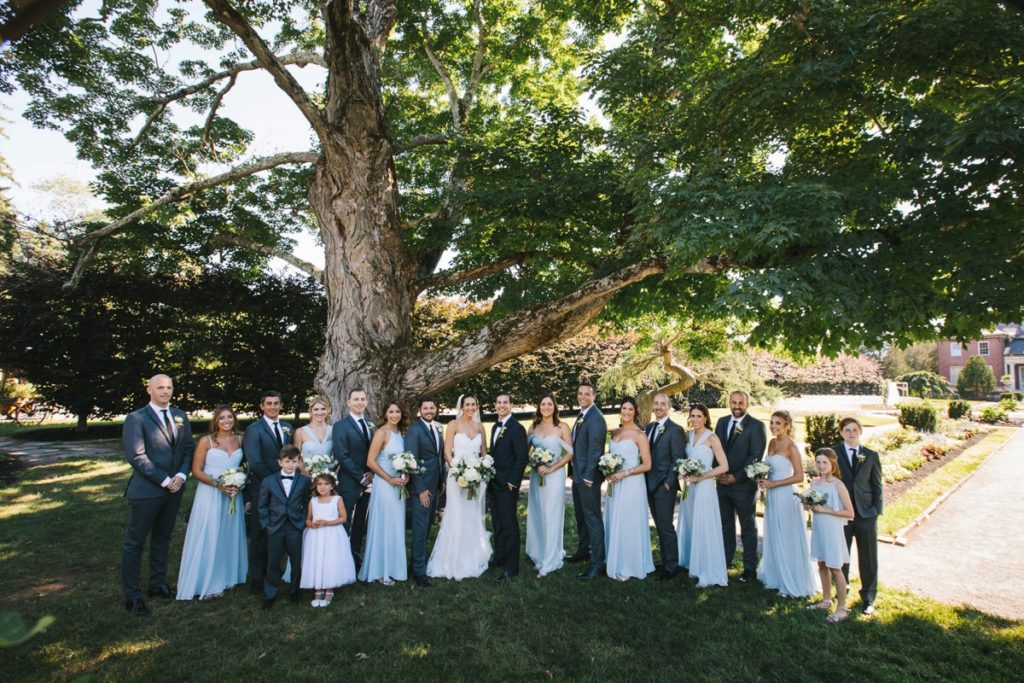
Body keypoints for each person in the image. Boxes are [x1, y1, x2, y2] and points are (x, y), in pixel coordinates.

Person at [120, 374, 196, 616]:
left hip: (174, 488)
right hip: (147, 491)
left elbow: (187, 448)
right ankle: (132, 596)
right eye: (160, 387)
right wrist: (164, 480)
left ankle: (157, 584)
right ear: (149, 390)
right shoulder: (137, 418)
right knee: (135, 543)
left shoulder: (180, 416)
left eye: (169, 387)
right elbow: (137, 456)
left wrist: (182, 476)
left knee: (162, 539)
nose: (166, 392)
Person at [176, 404, 247, 601]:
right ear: (215, 421)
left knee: (228, 533)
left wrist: (238, 482)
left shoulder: (240, 439)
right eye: (222, 418)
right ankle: (207, 581)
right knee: (210, 533)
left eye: (229, 417)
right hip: (211, 493)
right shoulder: (206, 442)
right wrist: (218, 485)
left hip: (233, 493)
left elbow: (244, 466)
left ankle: (229, 575)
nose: (226, 421)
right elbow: (196, 471)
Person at [427, 394, 492, 580]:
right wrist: (458, 470)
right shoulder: (453, 425)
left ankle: (473, 555)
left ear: (477, 407)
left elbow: (483, 453)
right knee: (456, 513)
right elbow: (447, 451)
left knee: (472, 514)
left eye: (474, 404)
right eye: (467, 404)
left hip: (476, 477)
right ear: (461, 406)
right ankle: (452, 559)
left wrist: (481, 469)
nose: (471, 407)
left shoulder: (480, 427)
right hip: (457, 476)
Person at [756, 410, 817, 598]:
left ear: (787, 426)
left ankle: (790, 580)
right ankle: (776, 576)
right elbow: (768, 467)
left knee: (786, 536)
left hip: (785, 495)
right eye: (772, 423)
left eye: (778, 423)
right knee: (774, 533)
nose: (773, 426)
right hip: (772, 496)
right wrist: (762, 478)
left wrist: (774, 483)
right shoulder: (772, 442)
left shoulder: (791, 447)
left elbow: (799, 476)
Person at [713, 390, 767, 582]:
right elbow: (715, 449)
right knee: (726, 525)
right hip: (722, 484)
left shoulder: (757, 426)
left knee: (747, 528)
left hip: (743, 486)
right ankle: (725, 561)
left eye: (740, 403)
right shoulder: (721, 422)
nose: (736, 406)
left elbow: (755, 456)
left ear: (747, 404)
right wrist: (718, 472)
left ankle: (749, 568)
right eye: (733, 402)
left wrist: (736, 477)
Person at [243, 391, 293, 593]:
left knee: (280, 531)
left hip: (285, 489)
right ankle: (257, 577)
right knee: (260, 533)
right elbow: (255, 461)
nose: (273, 407)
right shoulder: (254, 429)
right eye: (269, 404)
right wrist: (277, 481)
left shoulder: (287, 427)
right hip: (262, 488)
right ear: (262, 406)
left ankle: (274, 569)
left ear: (281, 406)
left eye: (276, 403)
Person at [833, 416, 883, 615]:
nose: (851, 433)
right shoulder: (833, 453)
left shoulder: (871, 455)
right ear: (841, 432)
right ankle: (841, 590)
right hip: (842, 513)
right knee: (841, 555)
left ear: (860, 432)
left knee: (869, 557)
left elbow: (877, 486)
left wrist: (876, 511)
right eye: (847, 430)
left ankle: (868, 597)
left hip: (865, 514)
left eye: (854, 430)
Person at [603, 397, 655, 581]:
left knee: (628, 522)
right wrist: (608, 471)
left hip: (632, 483)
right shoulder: (615, 433)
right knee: (614, 519)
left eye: (630, 409)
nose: (626, 412)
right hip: (615, 484)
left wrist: (624, 474)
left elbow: (647, 465)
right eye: (624, 408)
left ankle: (629, 564)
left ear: (635, 412)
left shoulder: (640, 435)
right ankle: (614, 558)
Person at [678, 403, 730, 587]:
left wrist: (703, 476)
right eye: (692, 416)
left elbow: (724, 466)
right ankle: (693, 564)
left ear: (706, 418)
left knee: (704, 525)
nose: (694, 419)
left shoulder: (712, 438)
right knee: (692, 523)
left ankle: (708, 570)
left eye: (699, 416)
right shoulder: (688, 435)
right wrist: (684, 473)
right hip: (690, 486)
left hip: (705, 486)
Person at [359, 402, 409, 585]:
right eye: (391, 412)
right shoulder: (382, 432)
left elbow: (405, 461)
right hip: (385, 484)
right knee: (384, 525)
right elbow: (371, 462)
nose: (395, 414)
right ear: (385, 414)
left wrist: (406, 475)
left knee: (396, 525)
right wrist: (389, 479)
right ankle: (380, 570)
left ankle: (395, 568)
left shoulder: (401, 434)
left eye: (397, 411)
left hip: (398, 485)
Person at [525, 394, 574, 577]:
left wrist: (551, 467)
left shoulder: (562, 427)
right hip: (538, 476)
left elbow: (570, 454)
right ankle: (539, 552)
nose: (546, 407)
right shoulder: (533, 427)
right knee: (538, 512)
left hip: (554, 476)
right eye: (543, 404)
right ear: (539, 407)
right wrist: (536, 463)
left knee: (552, 514)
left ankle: (550, 559)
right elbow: (525, 451)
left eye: (549, 404)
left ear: (555, 407)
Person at [806, 448, 855, 623]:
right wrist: (810, 506)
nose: (821, 465)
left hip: (832, 529)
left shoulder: (838, 485)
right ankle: (826, 600)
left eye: (824, 462)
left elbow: (850, 513)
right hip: (819, 528)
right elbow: (815, 505)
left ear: (832, 463)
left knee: (835, 567)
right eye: (818, 462)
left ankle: (841, 608)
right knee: (821, 563)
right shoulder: (814, 483)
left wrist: (825, 510)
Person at [258, 445, 310, 609]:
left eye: (294, 461)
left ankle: (295, 591)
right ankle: (270, 594)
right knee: (273, 562)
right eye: (287, 461)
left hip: (295, 526)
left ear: (299, 462)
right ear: (280, 462)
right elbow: (262, 505)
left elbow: (307, 502)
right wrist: (267, 524)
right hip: (275, 527)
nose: (290, 465)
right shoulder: (269, 481)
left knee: (296, 561)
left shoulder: (304, 481)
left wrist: (301, 521)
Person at [568, 382, 608, 581]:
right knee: (581, 517)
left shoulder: (596, 418)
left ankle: (598, 564)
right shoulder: (582, 415)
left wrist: (588, 477)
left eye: (587, 394)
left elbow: (595, 450)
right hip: (577, 475)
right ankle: (583, 551)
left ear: (594, 396)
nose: (582, 396)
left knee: (592, 519)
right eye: (580, 393)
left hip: (587, 478)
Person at [488, 391, 529, 581]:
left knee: (509, 524)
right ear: (495, 405)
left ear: (511, 405)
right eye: (499, 402)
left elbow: (522, 458)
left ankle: (511, 567)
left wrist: (513, 482)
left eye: (505, 402)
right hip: (493, 483)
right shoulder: (494, 427)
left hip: (507, 485)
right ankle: (500, 556)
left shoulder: (516, 428)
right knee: (497, 522)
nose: (502, 405)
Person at [644, 392, 685, 580]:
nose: (659, 407)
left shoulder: (675, 430)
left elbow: (677, 459)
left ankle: (671, 566)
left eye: (663, 404)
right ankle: (666, 560)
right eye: (656, 404)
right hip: (649, 483)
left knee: (666, 526)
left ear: (669, 407)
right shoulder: (649, 427)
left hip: (664, 485)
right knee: (659, 525)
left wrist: (669, 483)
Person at [331, 389, 374, 568]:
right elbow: (342, 454)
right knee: (345, 520)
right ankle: (340, 560)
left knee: (361, 523)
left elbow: (375, 451)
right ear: (348, 402)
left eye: (362, 399)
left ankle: (356, 558)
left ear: (366, 401)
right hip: (349, 480)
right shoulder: (341, 426)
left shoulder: (372, 424)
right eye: (355, 399)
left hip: (370, 481)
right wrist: (360, 477)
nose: (359, 402)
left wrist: (371, 474)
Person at [300, 473, 356, 607]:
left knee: (330, 559)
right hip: (316, 535)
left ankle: (329, 588)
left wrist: (327, 523)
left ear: (332, 486)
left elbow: (343, 518)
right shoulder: (313, 501)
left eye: (326, 484)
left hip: (332, 534)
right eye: (319, 484)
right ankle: (318, 590)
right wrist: (310, 524)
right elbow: (308, 518)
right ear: (315, 486)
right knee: (317, 559)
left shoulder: (337, 499)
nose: (323, 487)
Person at [406, 397, 444, 587]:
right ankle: (419, 571)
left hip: (435, 485)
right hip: (422, 488)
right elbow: (412, 462)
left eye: (432, 407)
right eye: (425, 408)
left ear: (435, 409)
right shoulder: (415, 431)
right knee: (420, 529)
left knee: (427, 525)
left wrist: (441, 481)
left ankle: (417, 562)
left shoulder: (437, 428)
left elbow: (437, 458)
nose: (429, 410)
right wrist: (420, 489)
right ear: (420, 410)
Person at [295, 396, 333, 474]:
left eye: (323, 409)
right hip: (307, 477)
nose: (320, 412)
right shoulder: (300, 432)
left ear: (328, 410)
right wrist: (311, 477)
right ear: (310, 411)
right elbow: (296, 459)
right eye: (316, 409)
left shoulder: (334, 430)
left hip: (328, 479)